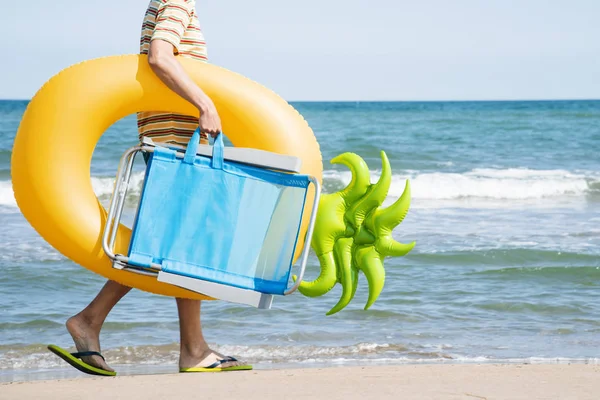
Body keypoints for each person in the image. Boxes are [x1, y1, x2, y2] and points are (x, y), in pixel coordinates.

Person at [57, 0, 250, 374]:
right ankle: (90, 321)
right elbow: (159, 57)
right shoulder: (177, 0)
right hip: (176, 141)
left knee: (179, 244)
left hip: (170, 138)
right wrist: (205, 103)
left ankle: (191, 347)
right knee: (171, 243)